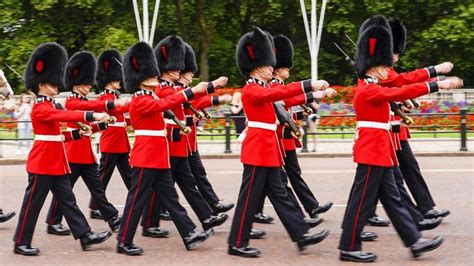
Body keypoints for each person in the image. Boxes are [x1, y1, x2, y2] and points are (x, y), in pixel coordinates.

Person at [338, 16, 462, 262]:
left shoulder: (373, 82)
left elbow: (399, 86)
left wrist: (432, 76)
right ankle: (349, 247)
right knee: (361, 201)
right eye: (384, 64)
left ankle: (414, 241)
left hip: (380, 148)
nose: (388, 68)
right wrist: (437, 84)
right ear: (374, 65)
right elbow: (401, 90)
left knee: (393, 199)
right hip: (372, 149)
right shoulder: (368, 87)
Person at [227, 27, 330, 258]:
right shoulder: (251, 89)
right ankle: (236, 242)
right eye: (267, 64)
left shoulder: (264, 86)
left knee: (280, 193)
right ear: (255, 66)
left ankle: (301, 235)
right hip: (257, 149)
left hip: (268, 148)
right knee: (248, 199)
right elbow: (274, 96)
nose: (271, 68)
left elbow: (285, 96)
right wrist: (309, 84)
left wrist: (311, 94)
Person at [13, 42, 113, 256]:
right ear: (42, 83)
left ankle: (85, 235)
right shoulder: (41, 107)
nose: (57, 85)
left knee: (68, 202)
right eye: (52, 81)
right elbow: (63, 116)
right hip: (42, 164)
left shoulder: (49, 104)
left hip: (57, 163)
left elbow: (58, 134)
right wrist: (91, 115)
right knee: (32, 205)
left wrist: (77, 133)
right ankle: (21, 242)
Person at [116, 41, 210, 255]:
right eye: (149, 75)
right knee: (136, 201)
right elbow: (163, 105)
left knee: (170, 197)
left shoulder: (149, 95)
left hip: (158, 156)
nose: (154, 77)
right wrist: (191, 92)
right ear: (139, 79)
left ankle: (189, 233)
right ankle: (123, 241)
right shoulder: (140, 100)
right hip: (146, 156)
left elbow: (164, 105)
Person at [140, 35, 228, 238]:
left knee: (186, 182)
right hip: (169, 140)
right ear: (165, 68)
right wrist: (211, 86)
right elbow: (176, 98)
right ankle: (149, 224)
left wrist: (212, 87)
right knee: (162, 185)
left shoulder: (173, 87)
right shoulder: (160, 88)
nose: (178, 71)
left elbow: (191, 95)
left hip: (179, 140)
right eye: (174, 67)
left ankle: (206, 217)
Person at [255, 34, 335, 227]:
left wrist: (308, 100)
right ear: (277, 69)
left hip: (286, 136)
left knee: (284, 176)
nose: (287, 69)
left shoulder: (278, 84)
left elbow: (289, 101)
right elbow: (287, 100)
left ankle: (310, 207)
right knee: (276, 180)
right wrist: (314, 94)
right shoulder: (272, 85)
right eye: (285, 67)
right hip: (278, 137)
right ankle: (299, 215)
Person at [45, 51, 127, 236]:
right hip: (73, 153)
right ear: (76, 83)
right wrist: (109, 107)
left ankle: (112, 218)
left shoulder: (81, 100)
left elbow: (89, 129)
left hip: (85, 154)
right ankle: (53, 221)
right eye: (85, 82)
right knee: (64, 191)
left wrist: (103, 124)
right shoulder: (72, 102)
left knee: (97, 189)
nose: (89, 86)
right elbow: (90, 108)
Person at [89, 49, 133, 220]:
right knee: (102, 177)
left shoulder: (115, 96)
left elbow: (122, 121)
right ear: (110, 80)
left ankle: (139, 203)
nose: (120, 81)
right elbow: (117, 108)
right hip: (111, 143)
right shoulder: (104, 99)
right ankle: (95, 207)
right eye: (117, 78)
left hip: (121, 142)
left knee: (130, 176)